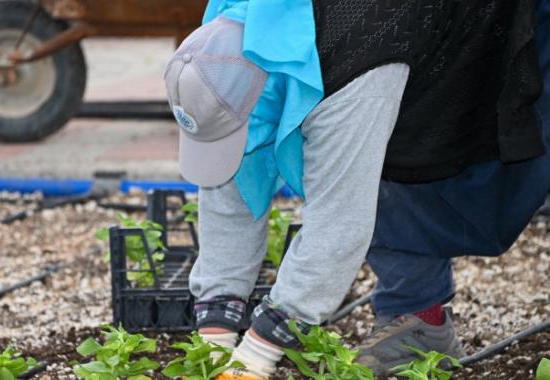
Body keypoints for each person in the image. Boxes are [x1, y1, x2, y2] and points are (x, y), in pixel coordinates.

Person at [164, 0, 547, 378]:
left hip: (487, 21)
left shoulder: (354, 72)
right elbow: (231, 192)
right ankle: (419, 314)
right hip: (397, 33)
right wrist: (214, 335)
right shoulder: (225, 42)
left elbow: (339, 227)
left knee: (401, 164)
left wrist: (258, 353)